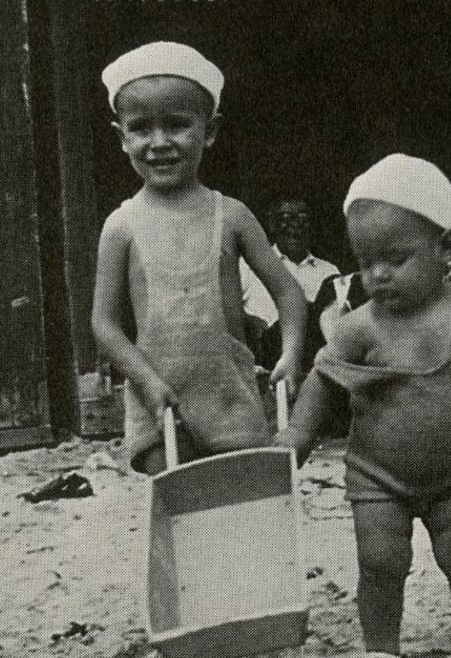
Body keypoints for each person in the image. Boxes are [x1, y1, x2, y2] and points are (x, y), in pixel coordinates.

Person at [275, 154, 451, 658]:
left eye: (395, 258)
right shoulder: (358, 329)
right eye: (365, 260)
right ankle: (380, 652)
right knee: (379, 560)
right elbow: (321, 384)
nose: (376, 275)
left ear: (446, 248)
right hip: (378, 478)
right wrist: (293, 441)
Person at [90, 41, 308, 476]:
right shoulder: (121, 226)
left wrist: (291, 354)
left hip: (229, 400)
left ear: (209, 131)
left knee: (239, 505)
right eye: (141, 128)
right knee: (177, 511)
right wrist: (146, 380)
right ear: (121, 137)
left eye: (177, 125)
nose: (159, 143)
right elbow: (104, 325)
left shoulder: (231, 216)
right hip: (158, 400)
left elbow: (288, 292)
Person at [240, 194, 339, 368]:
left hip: (314, 365)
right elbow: (223, 307)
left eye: (303, 218)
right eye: (286, 218)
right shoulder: (250, 265)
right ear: (272, 224)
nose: (296, 225)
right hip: (264, 359)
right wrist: (249, 322)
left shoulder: (328, 271)